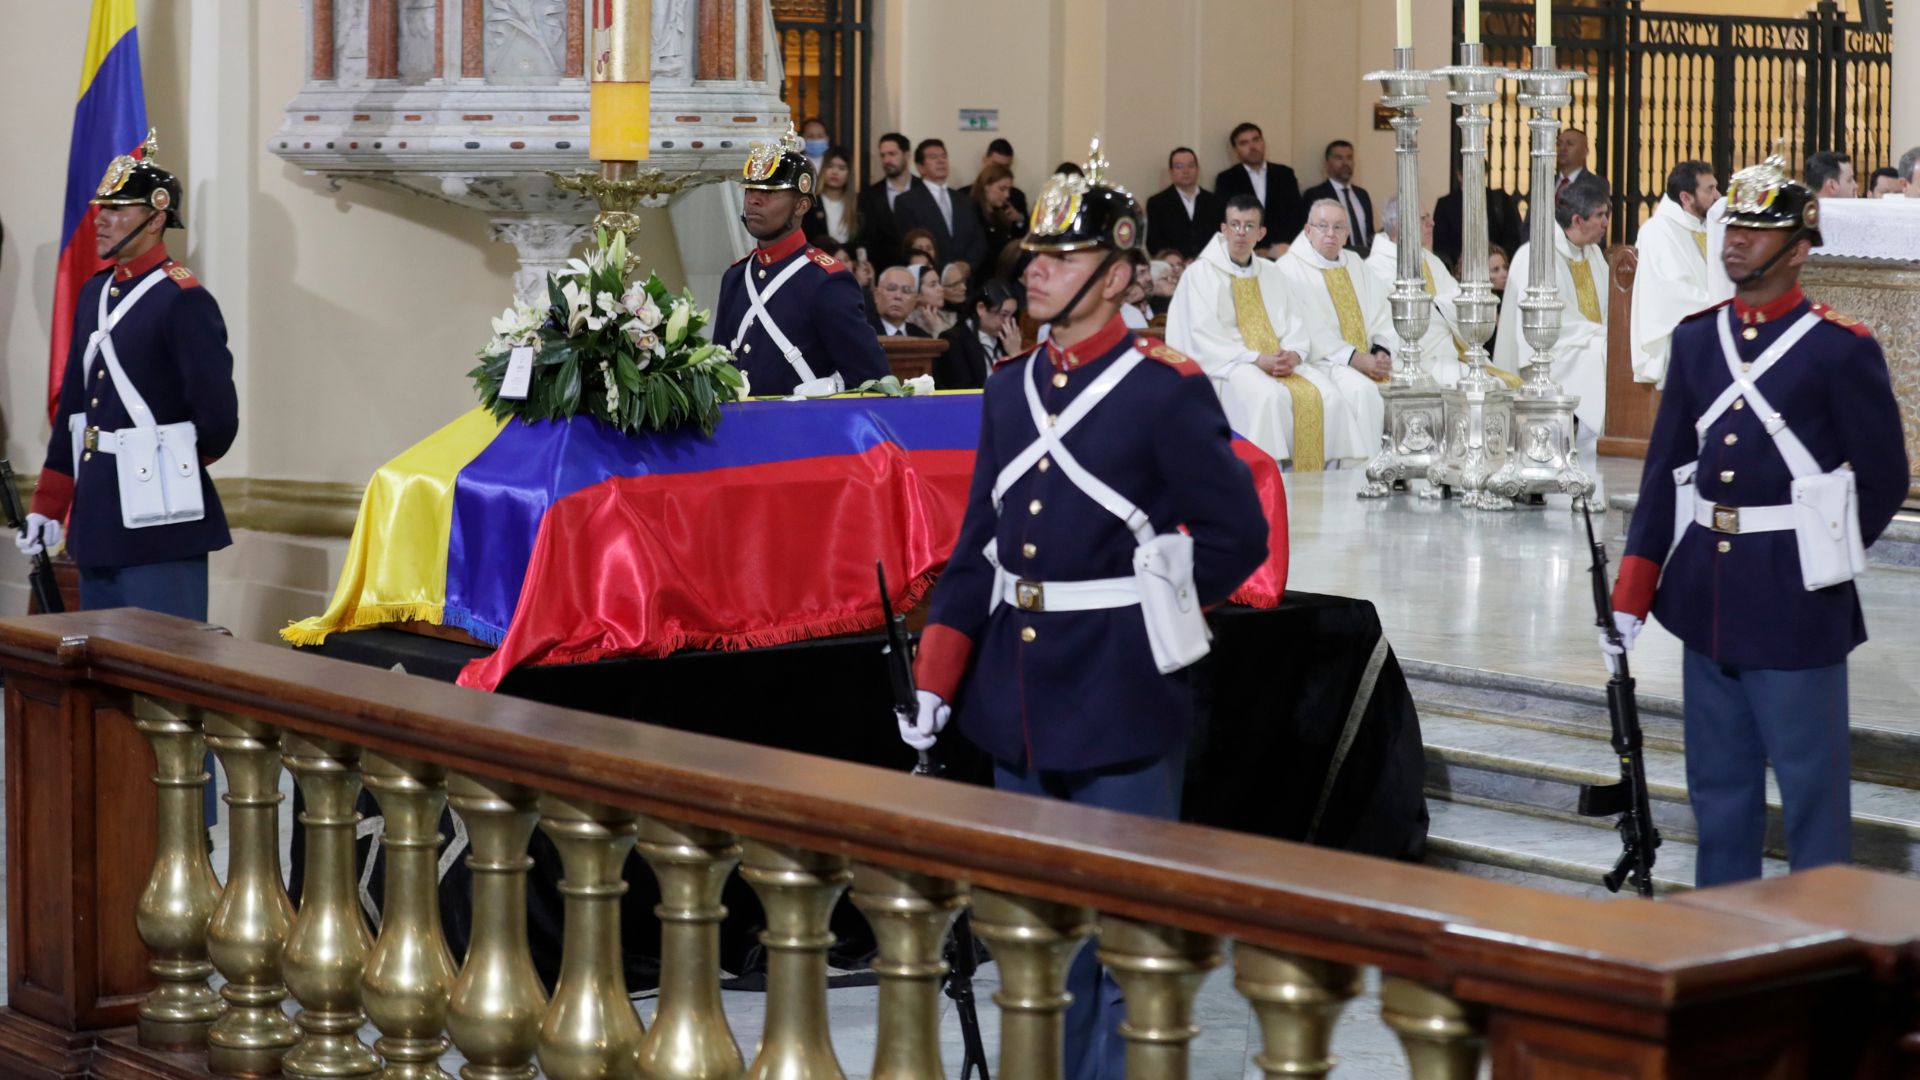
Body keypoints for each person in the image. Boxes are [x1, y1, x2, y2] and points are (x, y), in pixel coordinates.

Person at [903, 142, 1269, 1080]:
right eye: (1034, 254)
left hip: (1120, 692)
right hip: (1016, 698)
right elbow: (978, 545)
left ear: (1113, 275)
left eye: (1062, 258)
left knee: (1125, 950)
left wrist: (1156, 604)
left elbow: (1237, 533)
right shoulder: (1007, 388)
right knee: (1036, 945)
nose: (1036, 271)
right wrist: (937, 675)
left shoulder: (1164, 389)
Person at [1606, 153, 1908, 888]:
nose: (1736, 239)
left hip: (1797, 604)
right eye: (1732, 225)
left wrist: (1822, 555)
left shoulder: (1839, 348)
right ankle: (1724, 940)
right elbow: (1665, 470)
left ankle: (1821, 938)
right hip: (1705, 599)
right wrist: (1633, 594)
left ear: (1799, 249)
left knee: (1812, 803)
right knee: (1719, 801)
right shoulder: (1697, 339)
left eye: (1757, 229)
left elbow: (1885, 476)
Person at [21, 129, 237, 623]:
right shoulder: (94, 293)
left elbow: (218, 417)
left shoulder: (183, 300)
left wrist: (166, 459)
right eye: (102, 208)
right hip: (98, 518)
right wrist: (48, 504)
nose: (101, 219)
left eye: (118, 209)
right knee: (102, 658)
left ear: (157, 218)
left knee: (165, 657)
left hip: (162, 520)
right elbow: (75, 409)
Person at [1167, 195, 1381, 470]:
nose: (1241, 233)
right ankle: (1269, 479)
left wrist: (1293, 354)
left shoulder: (1271, 272)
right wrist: (1256, 359)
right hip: (1230, 364)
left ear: (1261, 233)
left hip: (1279, 361)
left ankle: (1326, 483)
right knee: (1269, 398)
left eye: (1249, 226)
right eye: (1235, 225)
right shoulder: (1199, 274)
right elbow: (1201, 336)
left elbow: (1294, 322)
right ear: (1224, 229)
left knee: (1330, 398)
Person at [715, 125, 890, 397]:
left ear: (801, 205)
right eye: (750, 190)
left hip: (802, 421)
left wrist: (831, 388)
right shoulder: (736, 277)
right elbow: (722, 366)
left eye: (770, 192)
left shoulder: (827, 281)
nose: (754, 200)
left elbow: (872, 377)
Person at [1495, 173, 1611, 491]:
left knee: (1611, 351)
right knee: (1603, 354)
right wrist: (1601, 334)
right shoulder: (1537, 254)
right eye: (1600, 215)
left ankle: (1600, 442)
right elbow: (1549, 321)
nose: (1606, 223)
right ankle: (1589, 445)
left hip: (1582, 342)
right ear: (1577, 220)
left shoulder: (1593, 253)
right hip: (1548, 350)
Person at [1270, 199, 1393, 453]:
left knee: (1411, 386)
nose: (1330, 233)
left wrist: (1381, 350)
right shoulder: (1289, 269)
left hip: (1366, 358)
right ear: (1308, 230)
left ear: (1347, 234)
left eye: (1338, 227)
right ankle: (1364, 469)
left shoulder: (1355, 263)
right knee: (1363, 392)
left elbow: (1382, 310)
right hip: (1323, 362)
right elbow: (1306, 328)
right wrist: (1354, 358)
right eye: (1322, 226)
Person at [1365, 198, 1472, 387]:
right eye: (1423, 218)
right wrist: (1440, 309)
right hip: (1415, 361)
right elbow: (1387, 324)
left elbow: (1460, 301)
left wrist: (1438, 308)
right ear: (1399, 225)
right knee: (1477, 390)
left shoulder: (1431, 260)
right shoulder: (1375, 268)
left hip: (1450, 353)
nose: (1432, 223)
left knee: (1502, 384)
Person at [1630, 160, 1718, 387]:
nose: (1718, 196)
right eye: (1709, 189)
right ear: (1686, 198)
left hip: (1711, 320)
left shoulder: (1706, 227)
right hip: (1677, 334)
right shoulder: (1657, 231)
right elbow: (1670, 293)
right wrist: (1721, 306)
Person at [895, 138, 988, 275]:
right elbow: (910, 246)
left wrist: (967, 265)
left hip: (965, 279)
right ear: (920, 167)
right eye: (933, 157)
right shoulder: (907, 202)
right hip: (930, 277)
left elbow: (978, 240)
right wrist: (947, 270)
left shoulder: (964, 200)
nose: (941, 161)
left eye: (944, 156)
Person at [1213, 122, 1302, 255]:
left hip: (1284, 251)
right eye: (1244, 143)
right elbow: (1226, 219)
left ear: (1263, 142)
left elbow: (1296, 214)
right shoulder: (1226, 179)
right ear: (1235, 150)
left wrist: (1281, 248)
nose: (1252, 147)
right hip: (1246, 252)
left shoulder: (1285, 174)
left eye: (1256, 140)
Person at [1432, 167, 1525, 270]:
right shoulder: (1445, 204)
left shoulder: (1499, 201)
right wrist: (1462, 260)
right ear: (1459, 176)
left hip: (1496, 269)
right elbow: (1440, 245)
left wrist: (1496, 259)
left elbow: (1512, 239)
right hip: (1459, 270)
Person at [936, 277, 1021, 389]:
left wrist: (1015, 354)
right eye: (1003, 315)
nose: (1008, 322)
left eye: (1011, 315)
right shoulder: (954, 340)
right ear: (981, 308)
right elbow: (964, 389)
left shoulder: (1008, 341)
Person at [1146, 147, 1223, 261]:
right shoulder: (1157, 203)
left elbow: (1222, 235)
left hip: (1210, 263)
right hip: (1173, 265)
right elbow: (1153, 241)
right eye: (1179, 167)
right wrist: (1169, 257)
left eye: (1191, 166)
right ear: (1171, 172)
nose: (1186, 171)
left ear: (1197, 169)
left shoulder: (1215, 201)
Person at [1301, 140, 1375, 258]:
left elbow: (1369, 233)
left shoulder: (1362, 195)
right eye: (1339, 158)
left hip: (1365, 260)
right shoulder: (1315, 195)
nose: (1345, 163)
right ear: (1327, 163)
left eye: (1349, 157)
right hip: (1334, 260)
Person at [856, 132, 917, 268]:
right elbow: (865, 238)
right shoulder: (869, 195)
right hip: (883, 270)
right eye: (883, 155)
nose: (886, 160)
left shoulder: (923, 189)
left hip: (920, 269)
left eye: (892, 154)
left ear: (907, 155)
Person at [969, 162, 1029, 276]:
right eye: (1002, 189)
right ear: (986, 186)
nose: (1007, 195)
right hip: (983, 274)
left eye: (1008, 190)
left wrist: (1018, 219)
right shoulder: (972, 212)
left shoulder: (1002, 212)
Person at [803, 144, 860, 247]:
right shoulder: (810, 202)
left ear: (849, 174)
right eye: (830, 166)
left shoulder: (859, 203)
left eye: (841, 168)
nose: (835, 172)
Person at [962, 137, 1029, 219]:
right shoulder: (963, 196)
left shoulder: (1017, 197)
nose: (1000, 171)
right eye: (995, 165)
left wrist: (1018, 218)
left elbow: (1026, 224)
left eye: (1005, 167)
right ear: (985, 160)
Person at [870, 266, 929, 337]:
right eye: (891, 289)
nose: (898, 296)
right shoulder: (861, 333)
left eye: (906, 291)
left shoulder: (923, 338)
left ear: (915, 300)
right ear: (876, 295)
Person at [910, 264, 956, 336]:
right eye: (932, 285)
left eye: (939, 283)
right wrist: (936, 329)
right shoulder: (908, 323)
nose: (941, 289)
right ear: (917, 294)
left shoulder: (951, 318)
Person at [1119, 249, 1154, 329]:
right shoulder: (1127, 312)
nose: (1149, 278)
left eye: (1149, 271)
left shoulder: (1150, 305)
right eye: (1141, 273)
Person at [1556, 127, 1592, 193]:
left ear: (1585, 152)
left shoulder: (1595, 183)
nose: (1562, 148)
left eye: (1570, 144)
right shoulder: (1546, 181)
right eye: (1558, 144)